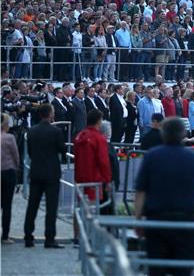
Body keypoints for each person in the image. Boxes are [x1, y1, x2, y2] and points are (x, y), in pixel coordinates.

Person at [134, 118, 194, 276]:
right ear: (183, 134)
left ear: (163, 133)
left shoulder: (151, 156)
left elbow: (141, 192)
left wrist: (137, 219)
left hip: (156, 221)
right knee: (183, 269)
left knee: (155, 269)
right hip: (185, 222)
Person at [24, 104, 66, 248]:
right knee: (51, 207)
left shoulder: (31, 131)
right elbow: (63, 149)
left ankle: (28, 237)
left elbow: (29, 151)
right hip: (52, 173)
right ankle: (49, 238)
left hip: (36, 171)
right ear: (49, 114)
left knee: (32, 205)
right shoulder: (56, 131)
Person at [73, 110, 112, 241]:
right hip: (94, 179)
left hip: (80, 177)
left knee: (79, 208)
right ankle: (90, 238)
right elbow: (103, 162)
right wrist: (107, 181)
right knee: (93, 209)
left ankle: (77, 236)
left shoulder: (79, 136)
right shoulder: (99, 138)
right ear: (99, 121)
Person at [1, 113, 19, 243]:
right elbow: (16, 156)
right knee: (7, 206)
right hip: (8, 172)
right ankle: (5, 236)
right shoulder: (9, 138)